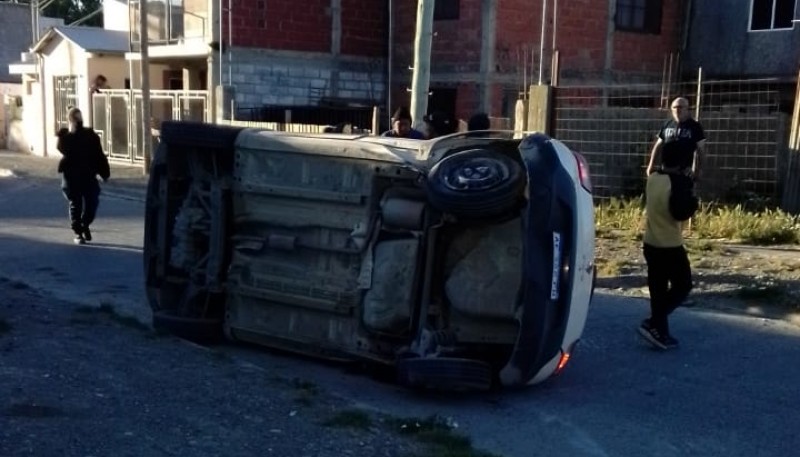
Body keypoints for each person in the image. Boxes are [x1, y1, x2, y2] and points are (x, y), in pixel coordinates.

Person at [638, 165, 697, 350]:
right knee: (683, 285)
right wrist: (693, 201)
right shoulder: (677, 182)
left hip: (650, 241)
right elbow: (680, 212)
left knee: (658, 289)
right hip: (670, 244)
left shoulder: (654, 177)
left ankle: (659, 331)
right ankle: (655, 322)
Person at [56, 107, 110, 245]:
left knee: (92, 202)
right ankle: (78, 232)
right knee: (76, 204)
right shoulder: (67, 137)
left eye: (79, 116)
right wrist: (62, 135)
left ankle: (85, 224)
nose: (78, 120)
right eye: (75, 117)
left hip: (88, 175)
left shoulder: (90, 135)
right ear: (71, 120)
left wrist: (104, 172)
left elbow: (99, 154)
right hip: (72, 177)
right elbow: (63, 148)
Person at [646, 97, 706, 181]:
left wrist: (699, 170)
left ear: (687, 109)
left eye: (681, 107)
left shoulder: (695, 127)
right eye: (675, 107)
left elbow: (701, 151)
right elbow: (658, 146)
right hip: (666, 171)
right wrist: (651, 165)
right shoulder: (667, 124)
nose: (677, 110)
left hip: (683, 173)